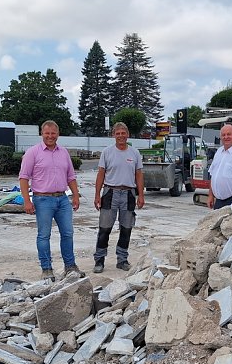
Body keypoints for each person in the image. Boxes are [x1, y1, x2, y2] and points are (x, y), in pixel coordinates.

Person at [19, 120, 81, 282]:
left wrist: (75, 195)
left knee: (67, 233)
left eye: (53, 133)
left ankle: (70, 266)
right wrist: (27, 201)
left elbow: (71, 176)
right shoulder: (33, 153)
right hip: (42, 200)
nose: (50, 136)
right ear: (42, 134)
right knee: (44, 235)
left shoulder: (64, 153)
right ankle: (46, 269)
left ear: (58, 134)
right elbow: (24, 178)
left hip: (62, 199)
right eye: (47, 133)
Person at [93, 122, 145, 273]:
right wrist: (97, 195)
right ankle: (99, 260)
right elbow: (101, 174)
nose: (121, 136)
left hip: (129, 194)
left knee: (126, 228)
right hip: (110, 193)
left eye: (123, 133)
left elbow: (139, 175)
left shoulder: (134, 153)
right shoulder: (107, 152)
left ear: (127, 135)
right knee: (104, 229)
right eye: (118, 133)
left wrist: (140, 195)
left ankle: (122, 260)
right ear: (113, 135)